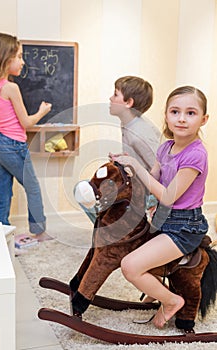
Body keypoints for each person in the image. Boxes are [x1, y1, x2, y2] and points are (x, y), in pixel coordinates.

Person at [111, 85, 209, 329]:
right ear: (166, 115)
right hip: (163, 219)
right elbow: (151, 181)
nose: (182, 119)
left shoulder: (195, 155)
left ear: (203, 119)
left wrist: (137, 165)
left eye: (191, 113)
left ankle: (172, 300)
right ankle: (157, 288)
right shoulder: (165, 147)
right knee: (125, 246)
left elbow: (167, 196)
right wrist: (125, 168)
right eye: (175, 112)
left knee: (130, 267)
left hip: (184, 225)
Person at [0, 33, 52, 241]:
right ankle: (39, 232)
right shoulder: (10, 88)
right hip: (13, 145)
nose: (23, 62)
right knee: (33, 188)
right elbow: (26, 123)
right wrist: (42, 111)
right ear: (5, 58)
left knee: (3, 194)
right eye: (19, 56)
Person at [75, 75, 161, 223]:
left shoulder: (139, 133)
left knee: (87, 193)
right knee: (86, 190)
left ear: (128, 102)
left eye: (115, 94)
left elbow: (160, 168)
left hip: (148, 192)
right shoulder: (129, 124)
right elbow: (141, 159)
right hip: (137, 186)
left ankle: (112, 232)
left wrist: (154, 201)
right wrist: (124, 159)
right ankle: (112, 231)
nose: (110, 98)